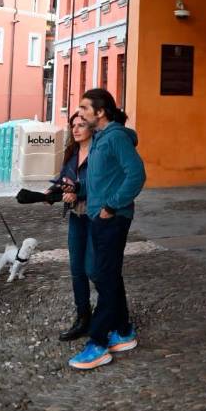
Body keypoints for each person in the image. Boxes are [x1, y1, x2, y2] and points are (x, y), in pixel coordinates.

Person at [68, 89, 146, 370]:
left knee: (104, 275)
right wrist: (76, 190)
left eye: (84, 108)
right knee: (108, 274)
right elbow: (101, 180)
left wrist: (111, 207)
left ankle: (98, 343)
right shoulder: (101, 138)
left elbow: (136, 174)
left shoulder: (114, 137)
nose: (80, 113)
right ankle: (123, 331)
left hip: (111, 218)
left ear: (100, 112)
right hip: (98, 218)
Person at [54, 113, 95, 342]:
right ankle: (83, 317)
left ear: (92, 127)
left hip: (96, 215)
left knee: (95, 269)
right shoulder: (71, 153)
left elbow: (99, 182)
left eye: (82, 125)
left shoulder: (99, 153)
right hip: (77, 216)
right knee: (77, 269)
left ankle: (111, 313)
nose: (76, 129)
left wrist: (77, 190)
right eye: (73, 125)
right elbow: (63, 178)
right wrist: (57, 189)